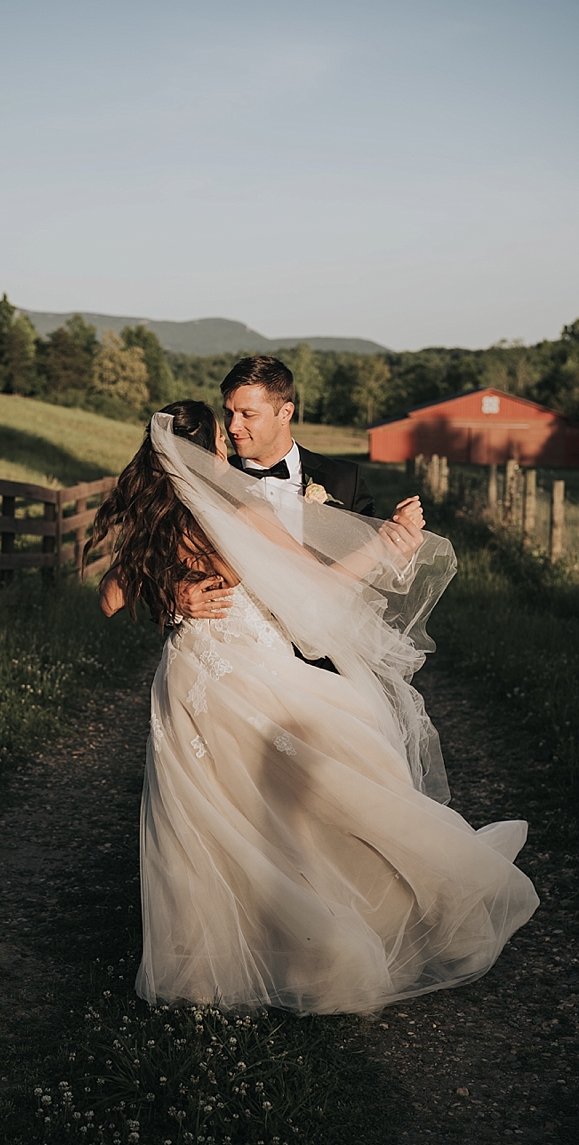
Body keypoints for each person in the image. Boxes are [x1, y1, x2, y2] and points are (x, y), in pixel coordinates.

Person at [86, 401, 538, 1015]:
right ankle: (332, 941)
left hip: (187, 678)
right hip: (251, 674)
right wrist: (380, 546)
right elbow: (315, 586)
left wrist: (171, 590)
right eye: (223, 435)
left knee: (205, 817)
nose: (231, 443)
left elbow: (109, 600)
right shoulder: (233, 508)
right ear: (209, 449)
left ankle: (205, 970)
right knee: (306, 803)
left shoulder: (155, 521)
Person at [177, 355, 423, 621]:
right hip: (240, 650)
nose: (233, 427)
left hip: (324, 654)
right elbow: (162, 558)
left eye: (248, 414)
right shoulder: (210, 479)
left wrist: (400, 550)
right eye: (228, 412)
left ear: (285, 413)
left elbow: (370, 568)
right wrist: (175, 597)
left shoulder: (343, 479)